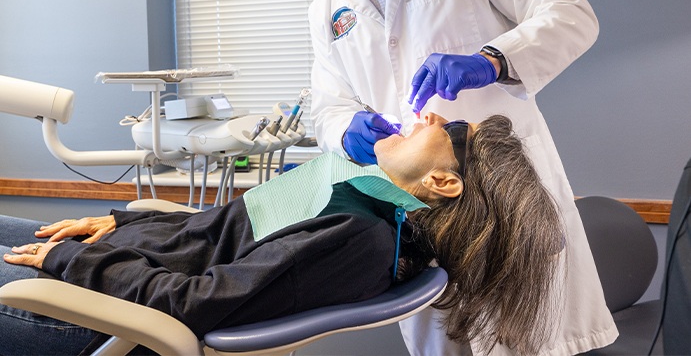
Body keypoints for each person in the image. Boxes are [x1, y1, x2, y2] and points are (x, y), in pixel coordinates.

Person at [274, 0, 616, 355]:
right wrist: (347, 129)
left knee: (526, 338)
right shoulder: (325, 12)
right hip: (424, 221)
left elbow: (571, 12)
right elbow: (329, 108)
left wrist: (493, 60)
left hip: (506, 204)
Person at [1, 113, 561, 356]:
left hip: (104, 315)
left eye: (450, 129)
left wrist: (73, 262)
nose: (432, 116)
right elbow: (214, 232)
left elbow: (194, 301)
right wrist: (122, 224)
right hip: (120, 268)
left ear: (442, 181)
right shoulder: (356, 196)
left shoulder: (356, 235)